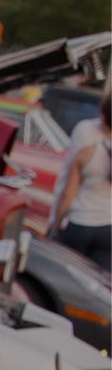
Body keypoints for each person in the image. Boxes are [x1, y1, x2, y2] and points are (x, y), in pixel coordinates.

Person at [50, 90, 112, 270]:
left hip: (80, 224)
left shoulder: (85, 139)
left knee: (68, 278)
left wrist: (54, 227)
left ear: (102, 114)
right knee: (100, 285)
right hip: (109, 227)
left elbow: (67, 195)